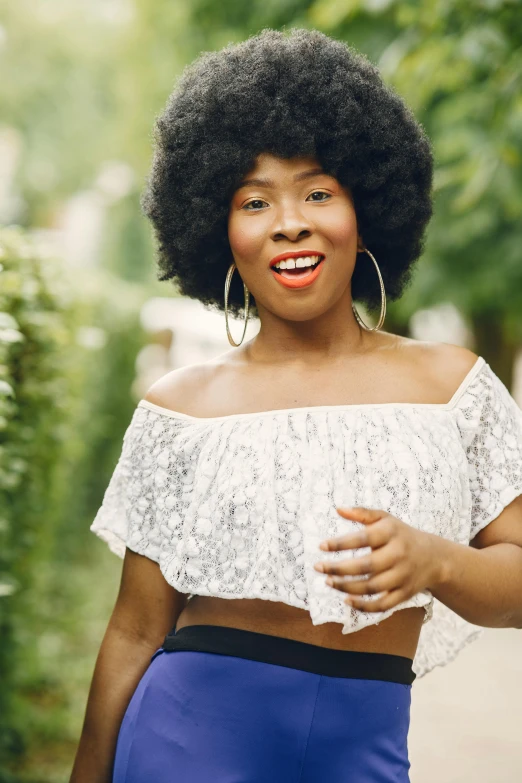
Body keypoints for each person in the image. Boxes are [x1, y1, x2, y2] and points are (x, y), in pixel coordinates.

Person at [70, 27, 522, 783]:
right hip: (187, 743)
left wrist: (436, 560)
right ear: (221, 232)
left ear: (366, 208)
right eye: (255, 200)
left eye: (318, 191)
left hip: (367, 750)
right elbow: (135, 628)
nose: (289, 221)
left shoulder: (455, 387)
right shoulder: (181, 408)